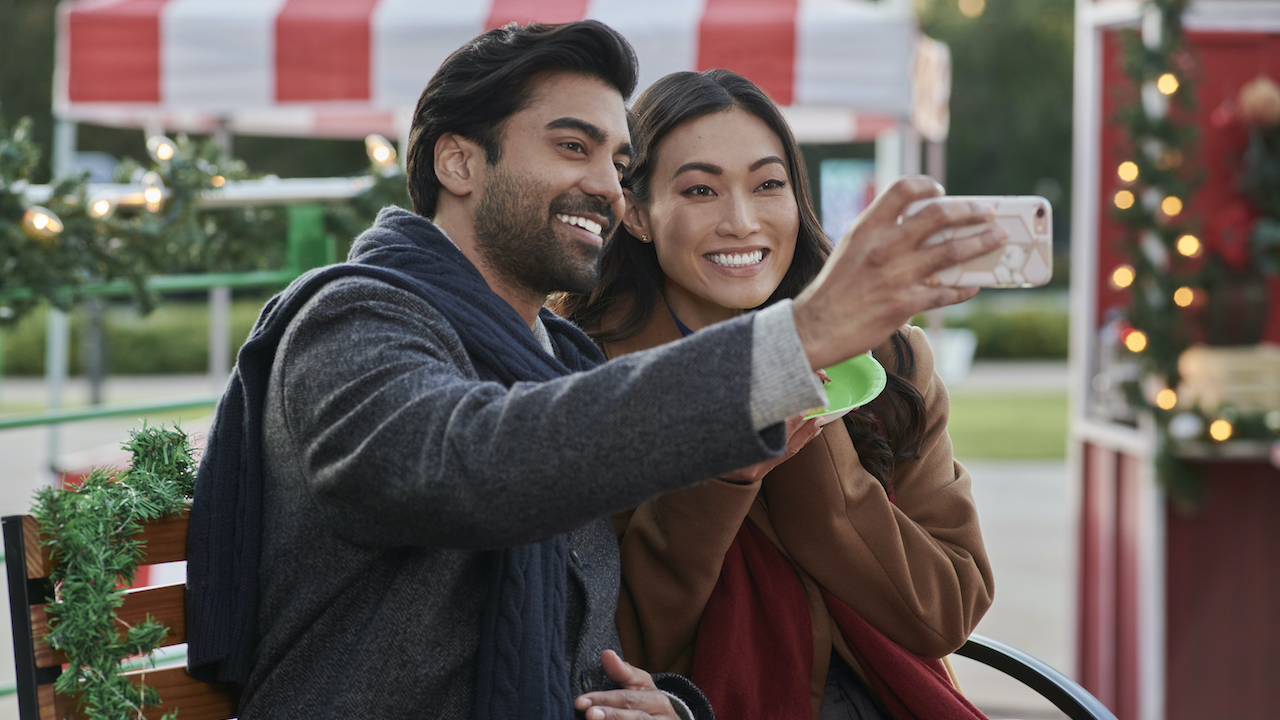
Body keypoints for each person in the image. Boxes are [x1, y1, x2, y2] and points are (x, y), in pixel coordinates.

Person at [183, 20, 1007, 720]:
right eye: (573, 146)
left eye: (616, 161)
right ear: (458, 164)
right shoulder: (355, 317)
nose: (604, 185)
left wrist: (669, 705)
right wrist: (793, 345)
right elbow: (467, 462)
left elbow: (597, 648)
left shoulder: (558, 356)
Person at [555, 70, 996, 720]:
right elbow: (620, 645)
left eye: (768, 185)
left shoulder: (891, 358)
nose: (741, 221)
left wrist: (806, 429)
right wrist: (725, 471)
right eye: (701, 190)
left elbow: (944, 612)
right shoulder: (585, 375)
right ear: (640, 215)